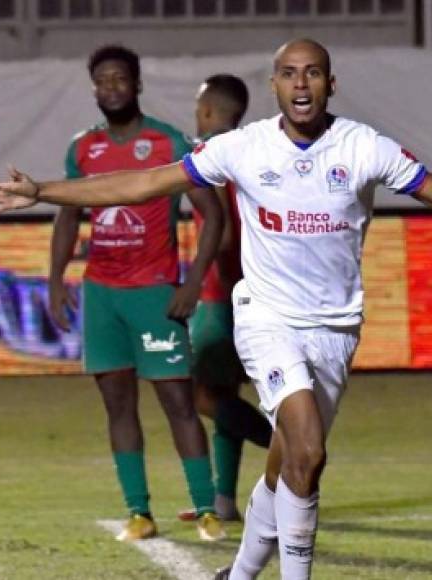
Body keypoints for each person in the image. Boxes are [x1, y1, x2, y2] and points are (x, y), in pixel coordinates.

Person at [0, 38, 432, 579]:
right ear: (276, 85)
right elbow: (144, 181)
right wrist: (46, 191)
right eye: (289, 74)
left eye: (312, 72)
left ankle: (242, 572)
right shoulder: (245, 147)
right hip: (267, 318)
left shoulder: (364, 147)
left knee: (290, 460)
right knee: (308, 443)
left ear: (330, 84)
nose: (301, 83)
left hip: (336, 328)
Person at [48, 45, 225, 542]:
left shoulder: (167, 142)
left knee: (178, 402)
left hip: (154, 293)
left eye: (119, 79)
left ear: (137, 84)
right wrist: (55, 278)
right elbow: (67, 216)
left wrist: (192, 282)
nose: (110, 88)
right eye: (101, 81)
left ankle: (206, 508)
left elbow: (213, 215)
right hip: (103, 295)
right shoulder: (83, 149)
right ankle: (139, 513)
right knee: (117, 407)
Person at [178, 74, 273, 522]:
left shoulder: (210, 156)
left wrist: (198, 281)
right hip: (256, 291)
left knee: (201, 397)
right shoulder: (256, 154)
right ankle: (224, 501)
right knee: (225, 391)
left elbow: (223, 230)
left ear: (211, 112)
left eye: (200, 108)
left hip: (219, 293)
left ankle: (286, 444)